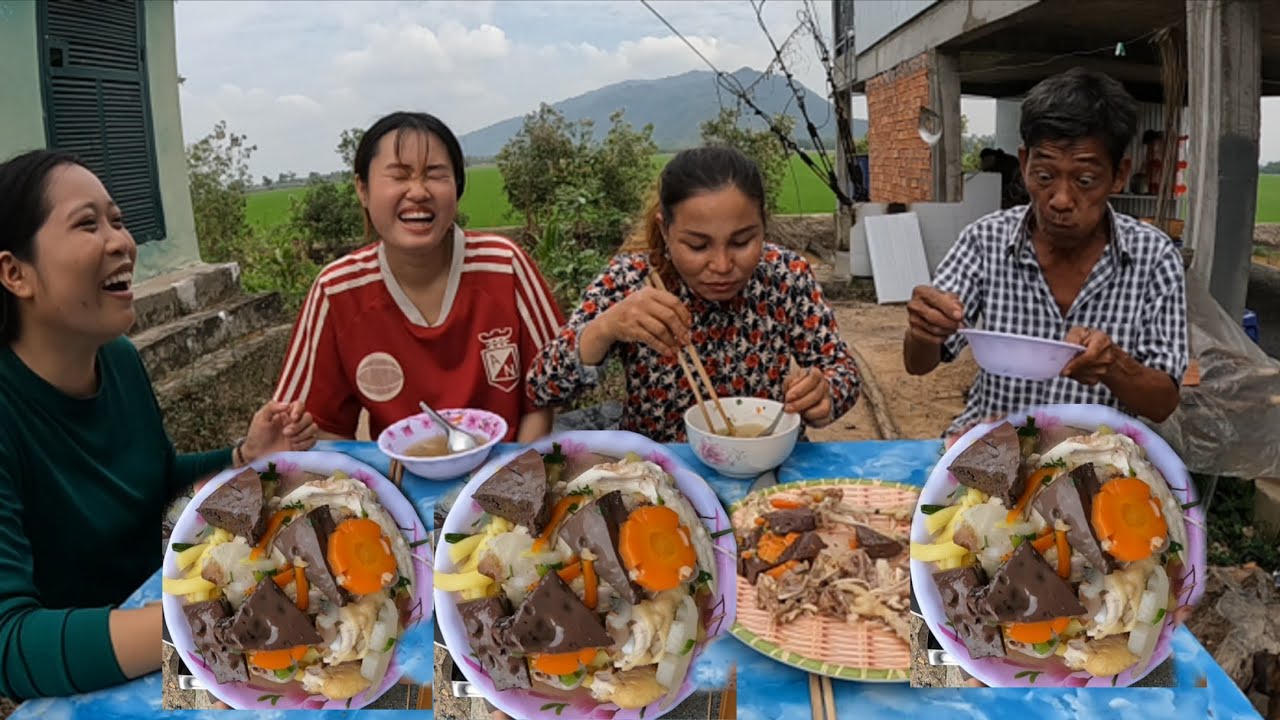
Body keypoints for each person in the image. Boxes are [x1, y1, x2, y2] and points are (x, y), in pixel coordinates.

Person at [0, 150, 316, 699]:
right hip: (96, 681)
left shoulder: (119, 360)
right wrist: (208, 614)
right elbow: (9, 642)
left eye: (119, 220)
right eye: (87, 223)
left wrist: (241, 457)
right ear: (14, 272)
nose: (122, 242)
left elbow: (153, 478)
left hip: (174, 621)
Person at [904, 67, 1189, 444]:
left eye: (1084, 181)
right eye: (1044, 175)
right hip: (991, 449)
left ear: (1119, 175)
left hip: (1095, 461)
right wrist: (924, 329)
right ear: (1023, 163)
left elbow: (1162, 403)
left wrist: (1115, 366)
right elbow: (919, 363)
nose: (1060, 200)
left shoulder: (1153, 257)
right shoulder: (985, 241)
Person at [526, 146, 862, 443]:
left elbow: (840, 369)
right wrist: (605, 328)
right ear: (665, 230)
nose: (722, 264)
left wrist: (824, 393)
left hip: (768, 458)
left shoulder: (785, 275)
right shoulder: (631, 281)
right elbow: (541, 386)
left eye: (742, 241)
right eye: (697, 245)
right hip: (658, 471)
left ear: (763, 224)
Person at [273, 112, 564, 443]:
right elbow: (312, 427)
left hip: (507, 474)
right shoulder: (337, 290)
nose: (418, 191)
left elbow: (544, 396)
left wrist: (516, 477)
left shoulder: (505, 266)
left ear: (457, 186)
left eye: (435, 174)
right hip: (395, 482)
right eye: (398, 176)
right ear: (362, 189)